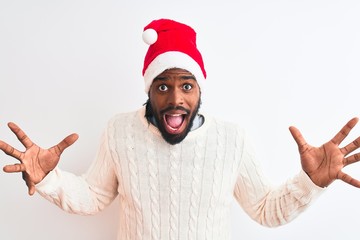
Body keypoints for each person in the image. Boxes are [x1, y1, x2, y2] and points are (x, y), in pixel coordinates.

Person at [1, 18, 360, 240]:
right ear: (148, 90)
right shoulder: (120, 131)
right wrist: (49, 179)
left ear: (200, 89)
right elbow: (94, 196)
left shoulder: (231, 139)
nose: (175, 98)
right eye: (163, 86)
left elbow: (265, 210)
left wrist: (311, 183)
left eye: (186, 85)